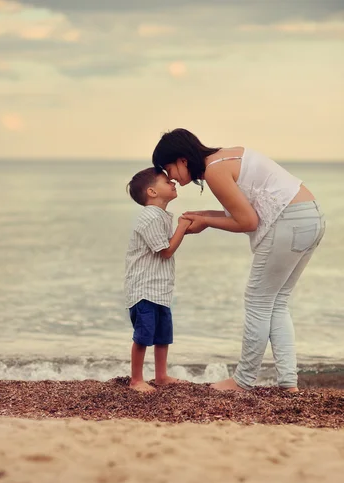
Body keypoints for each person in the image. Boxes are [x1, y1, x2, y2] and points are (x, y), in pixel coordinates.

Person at [152, 129, 325, 392]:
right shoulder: (227, 156)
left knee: (258, 301)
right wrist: (205, 215)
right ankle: (288, 384)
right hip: (310, 216)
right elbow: (246, 208)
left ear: (183, 160)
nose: (170, 176)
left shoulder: (213, 172)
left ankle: (243, 381)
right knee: (277, 302)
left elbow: (248, 221)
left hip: (289, 221)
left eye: (169, 168)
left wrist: (207, 222)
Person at [125, 167, 191, 392]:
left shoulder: (160, 215)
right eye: (167, 181)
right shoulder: (150, 217)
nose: (173, 183)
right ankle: (136, 379)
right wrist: (183, 226)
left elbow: (167, 243)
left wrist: (184, 228)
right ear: (152, 192)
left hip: (159, 288)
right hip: (144, 288)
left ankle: (161, 376)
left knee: (163, 334)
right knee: (143, 335)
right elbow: (165, 250)